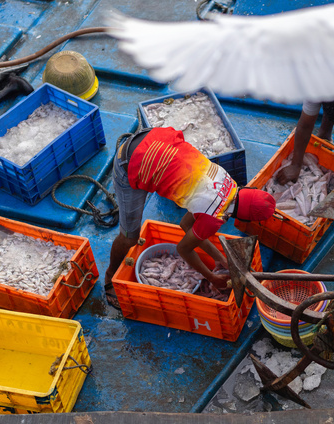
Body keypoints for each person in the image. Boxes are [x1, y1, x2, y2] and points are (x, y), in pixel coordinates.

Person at [104, 127, 277, 311]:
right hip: (129, 162)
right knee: (130, 237)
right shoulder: (215, 217)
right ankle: (109, 275)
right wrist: (211, 277)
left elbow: (185, 224)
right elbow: (183, 249)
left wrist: (218, 258)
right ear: (244, 217)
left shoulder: (227, 180)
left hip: (152, 138)